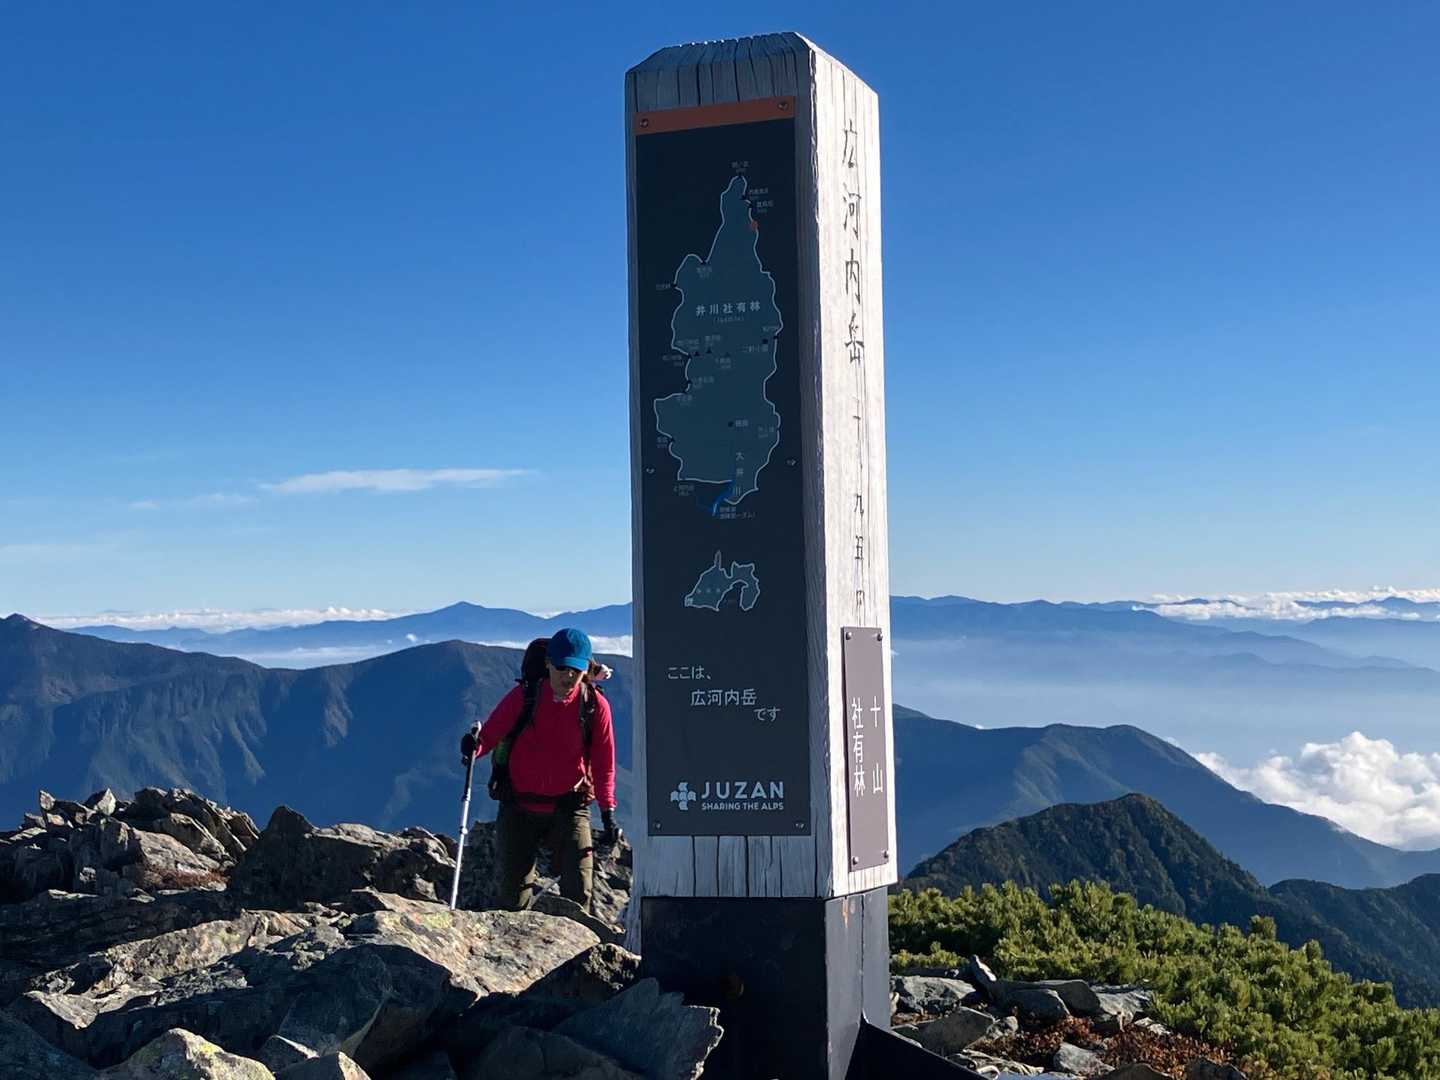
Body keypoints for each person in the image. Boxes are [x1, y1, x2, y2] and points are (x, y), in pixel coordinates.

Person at [460, 628, 620, 911]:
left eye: (576, 670)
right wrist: (474, 748)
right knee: (513, 898)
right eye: (561, 668)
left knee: (579, 890)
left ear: (586, 670)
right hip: (519, 806)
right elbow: (491, 734)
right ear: (548, 664)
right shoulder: (525, 696)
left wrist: (607, 813)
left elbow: (604, 763)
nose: (568, 676)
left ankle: (575, 939)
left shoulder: (595, 706)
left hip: (569, 807)